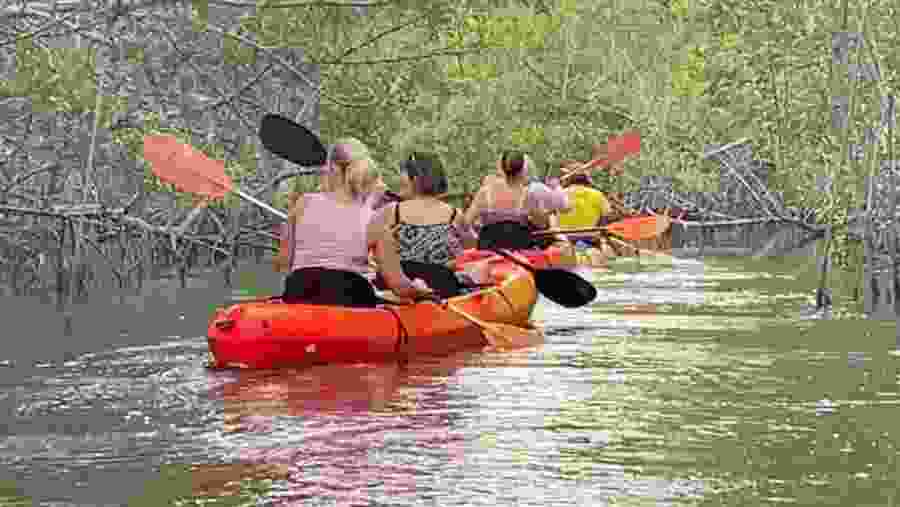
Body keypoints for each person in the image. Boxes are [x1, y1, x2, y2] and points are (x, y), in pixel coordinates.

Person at [273, 138, 432, 306]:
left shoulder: (303, 203)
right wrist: (418, 289)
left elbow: (283, 264)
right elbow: (399, 287)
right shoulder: (375, 219)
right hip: (351, 300)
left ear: (332, 168)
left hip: (299, 295)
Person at [369, 152, 477, 297]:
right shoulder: (454, 216)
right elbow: (473, 248)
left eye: (404, 173)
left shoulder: (391, 212)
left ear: (415, 179)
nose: (399, 179)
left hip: (394, 292)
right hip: (441, 289)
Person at [464, 150, 562, 250]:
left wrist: (474, 238)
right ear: (523, 169)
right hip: (518, 253)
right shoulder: (527, 194)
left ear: (502, 168)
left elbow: (466, 223)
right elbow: (541, 224)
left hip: (487, 250)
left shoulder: (484, 192)